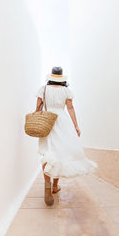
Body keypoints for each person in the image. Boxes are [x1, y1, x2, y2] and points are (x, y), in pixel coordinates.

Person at [35, 66, 98, 206]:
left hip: (47, 122)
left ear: (50, 77)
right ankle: (55, 186)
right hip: (62, 122)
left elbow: (38, 107)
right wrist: (76, 125)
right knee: (60, 153)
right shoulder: (66, 91)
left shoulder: (43, 89)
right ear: (62, 78)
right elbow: (70, 108)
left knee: (47, 152)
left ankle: (47, 184)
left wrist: (39, 121)